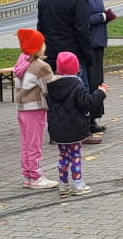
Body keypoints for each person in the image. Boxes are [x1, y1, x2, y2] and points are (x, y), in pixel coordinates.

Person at [46, 52, 108, 196]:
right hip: (74, 129)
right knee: (75, 156)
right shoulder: (77, 85)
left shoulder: (52, 86)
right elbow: (87, 103)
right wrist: (101, 93)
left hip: (58, 130)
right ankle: (77, 184)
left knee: (63, 156)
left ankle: (63, 184)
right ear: (76, 69)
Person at [13, 28, 58, 189]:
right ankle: (37, 177)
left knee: (26, 144)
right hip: (35, 108)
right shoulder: (41, 66)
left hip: (22, 108)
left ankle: (28, 175)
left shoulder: (21, 62)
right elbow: (49, 88)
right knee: (35, 144)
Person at [37, 0, 93, 89]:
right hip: (73, 57)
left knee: (53, 91)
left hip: (51, 55)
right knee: (80, 91)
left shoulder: (44, 0)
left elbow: (40, 30)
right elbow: (82, 31)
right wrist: (88, 56)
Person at [78, 0, 115, 137]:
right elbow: (83, 19)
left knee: (97, 79)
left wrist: (105, 18)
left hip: (99, 42)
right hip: (89, 43)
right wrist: (102, 16)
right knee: (91, 81)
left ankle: (94, 116)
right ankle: (89, 119)